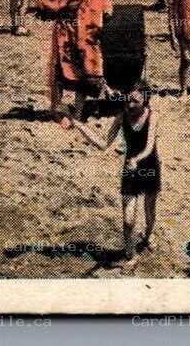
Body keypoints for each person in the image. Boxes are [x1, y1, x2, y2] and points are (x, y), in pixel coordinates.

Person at [65, 81, 161, 266]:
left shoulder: (153, 116)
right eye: (128, 101)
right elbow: (103, 144)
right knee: (127, 220)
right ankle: (131, 255)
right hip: (130, 171)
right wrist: (79, 125)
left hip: (149, 167)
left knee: (149, 212)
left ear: (145, 101)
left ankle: (148, 235)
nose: (130, 105)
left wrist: (137, 159)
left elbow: (149, 147)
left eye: (135, 101)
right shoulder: (121, 117)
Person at [32, 0, 110, 120]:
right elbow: (107, 9)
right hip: (89, 36)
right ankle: (78, 112)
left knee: (60, 71)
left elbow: (44, 4)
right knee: (83, 76)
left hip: (69, 34)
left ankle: (58, 109)